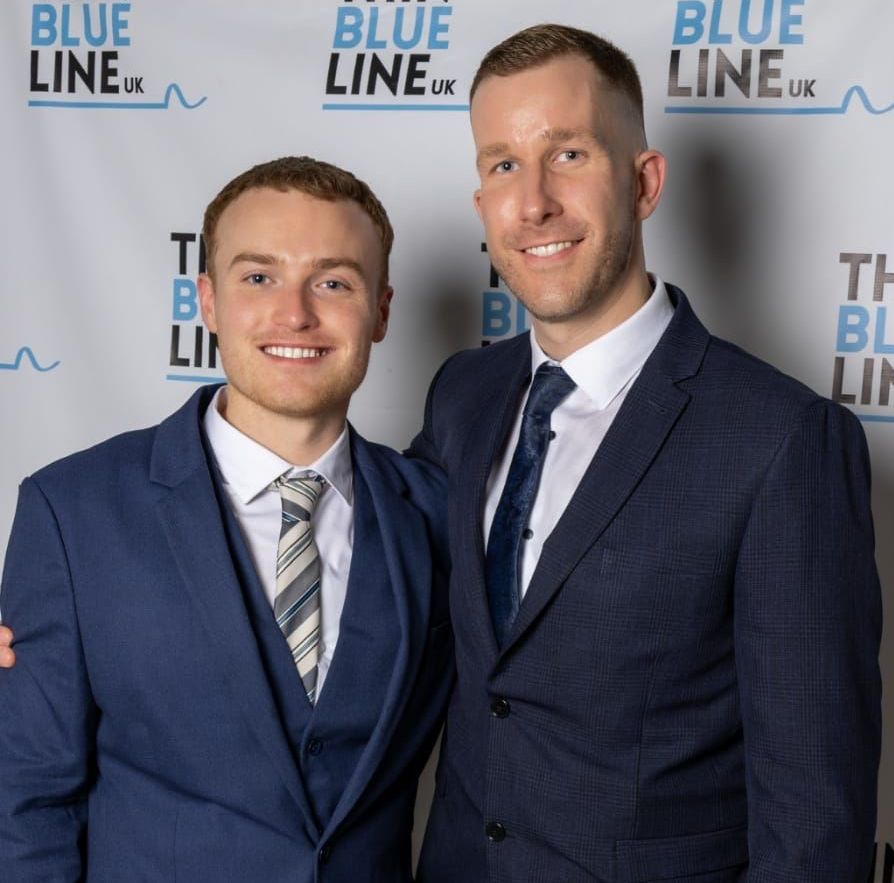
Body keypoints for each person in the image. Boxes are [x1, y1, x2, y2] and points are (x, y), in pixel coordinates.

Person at [409, 24, 882, 883]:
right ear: (482, 204)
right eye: (503, 165)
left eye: (570, 154)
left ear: (645, 181)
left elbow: (814, 820)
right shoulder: (461, 399)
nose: (535, 201)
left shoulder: (781, 441)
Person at [0, 156, 452, 882]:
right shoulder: (71, 513)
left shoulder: (438, 513)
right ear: (208, 301)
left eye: (333, 281)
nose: (295, 312)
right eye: (258, 277)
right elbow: (26, 803)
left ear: (382, 311)